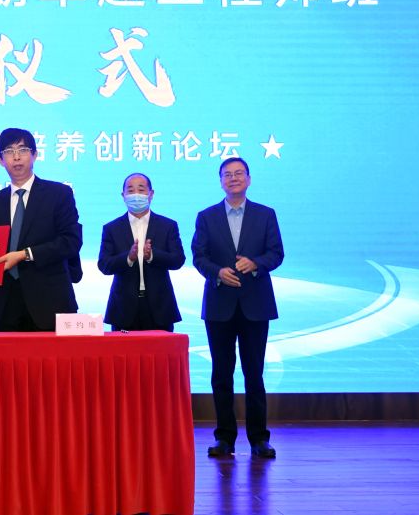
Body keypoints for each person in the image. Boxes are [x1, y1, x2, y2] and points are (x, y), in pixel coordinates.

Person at [191, 157, 284, 459]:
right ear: (220, 181)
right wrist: (217, 272)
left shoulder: (266, 214)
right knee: (221, 374)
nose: (233, 178)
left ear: (249, 179)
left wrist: (256, 263)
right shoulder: (206, 217)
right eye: (227, 174)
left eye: (239, 173)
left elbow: (276, 253)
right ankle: (224, 439)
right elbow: (199, 256)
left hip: (255, 304)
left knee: (254, 374)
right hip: (219, 304)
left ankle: (259, 439)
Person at [0, 127, 82, 331]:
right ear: (0, 160)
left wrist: (25, 254)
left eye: (23, 150)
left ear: (35, 155)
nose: (16, 157)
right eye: (9, 151)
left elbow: (71, 241)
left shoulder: (59, 194)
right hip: (4, 305)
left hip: (49, 302)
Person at [98, 172, 185, 332]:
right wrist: (128, 258)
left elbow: (178, 260)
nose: (136, 194)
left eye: (141, 189)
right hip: (123, 308)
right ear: (123, 196)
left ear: (151, 194)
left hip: (160, 307)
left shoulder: (168, 225)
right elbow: (104, 265)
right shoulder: (112, 228)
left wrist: (152, 255)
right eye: (131, 190)